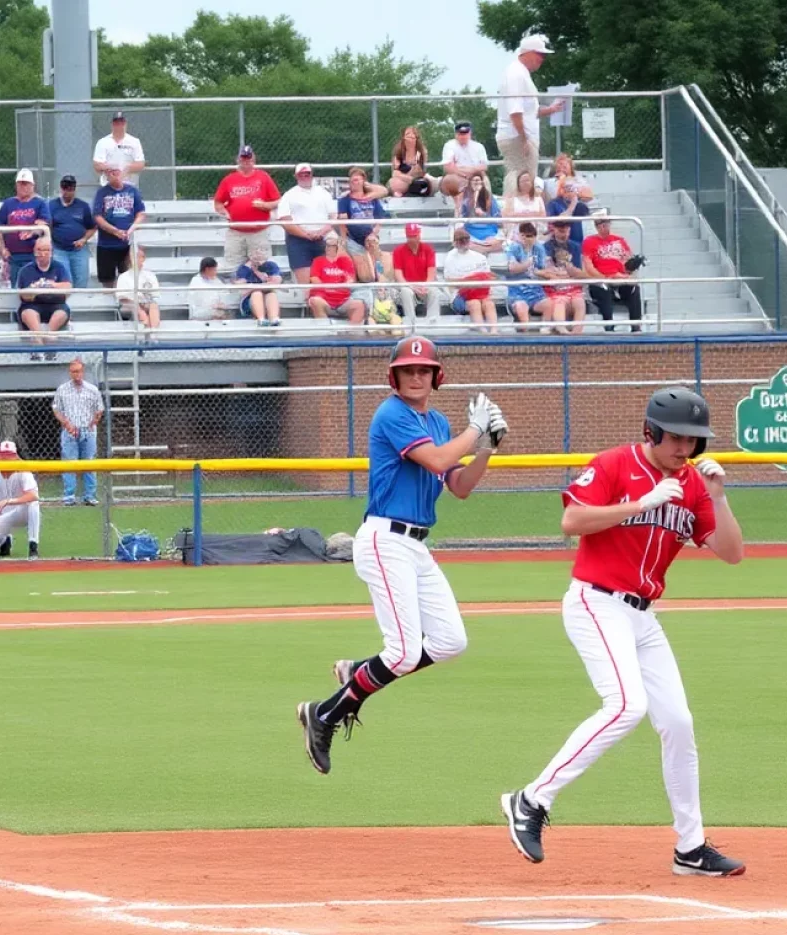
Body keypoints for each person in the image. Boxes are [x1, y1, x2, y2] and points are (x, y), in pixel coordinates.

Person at [501, 387, 746, 878]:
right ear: (650, 431)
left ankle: (691, 848)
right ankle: (530, 800)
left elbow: (731, 552)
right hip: (596, 601)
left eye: (693, 441)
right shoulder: (614, 464)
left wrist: (718, 497)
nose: (685, 449)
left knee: (678, 723)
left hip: (643, 616)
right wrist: (641, 503)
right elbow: (571, 521)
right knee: (626, 705)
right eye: (676, 438)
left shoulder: (695, 484)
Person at [297, 337, 508, 774]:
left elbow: (461, 486)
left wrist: (487, 444)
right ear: (394, 377)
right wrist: (474, 430)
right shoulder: (391, 413)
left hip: (415, 545)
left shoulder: (439, 420)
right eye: (408, 370)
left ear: (436, 376)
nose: (416, 376)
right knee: (403, 652)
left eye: (424, 369)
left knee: (451, 641)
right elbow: (435, 461)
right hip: (384, 540)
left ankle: (358, 673)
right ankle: (324, 715)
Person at [495, 35, 565, 198]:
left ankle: (521, 214)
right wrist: (524, 137)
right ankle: (514, 215)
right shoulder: (516, 74)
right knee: (519, 175)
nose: (542, 59)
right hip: (516, 135)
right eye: (540, 54)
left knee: (525, 176)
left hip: (520, 134)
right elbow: (515, 111)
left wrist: (551, 109)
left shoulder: (521, 73)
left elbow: (528, 111)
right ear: (528, 53)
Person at [213, 145, 281, 269]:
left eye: (248, 159)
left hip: (258, 232)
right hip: (236, 232)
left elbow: (278, 201)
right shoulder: (229, 180)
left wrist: (265, 206)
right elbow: (218, 202)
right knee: (232, 267)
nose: (246, 162)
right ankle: (237, 288)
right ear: (238, 160)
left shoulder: (263, 177)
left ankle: (260, 288)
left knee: (262, 267)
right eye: (243, 159)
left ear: (253, 160)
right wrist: (224, 212)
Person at [52, 360, 104, 507]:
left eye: (79, 371)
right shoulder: (62, 390)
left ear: (83, 372)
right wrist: (67, 424)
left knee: (89, 462)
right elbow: (56, 409)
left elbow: (99, 408)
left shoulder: (92, 389)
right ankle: (69, 496)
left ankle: (90, 496)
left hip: (88, 431)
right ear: (70, 372)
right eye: (74, 371)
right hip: (70, 431)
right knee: (70, 463)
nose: (77, 374)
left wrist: (94, 421)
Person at [0, 440, 40, 560]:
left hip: (21, 514)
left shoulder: (23, 471)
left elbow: (33, 495)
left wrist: (9, 501)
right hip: (3, 518)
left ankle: (33, 545)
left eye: (9, 456)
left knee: (33, 504)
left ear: (15, 457)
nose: (6, 459)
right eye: (3, 456)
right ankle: (5, 541)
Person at [582, 213, 643, 332]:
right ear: (596, 227)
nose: (604, 227)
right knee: (603, 288)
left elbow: (627, 261)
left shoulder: (619, 240)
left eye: (606, 223)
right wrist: (605, 277)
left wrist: (630, 268)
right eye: (601, 224)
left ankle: (636, 325)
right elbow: (588, 266)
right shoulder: (589, 241)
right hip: (601, 278)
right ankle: (609, 325)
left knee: (634, 288)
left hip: (619, 277)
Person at [277, 164, 336, 285]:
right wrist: (305, 234)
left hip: (323, 238)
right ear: (296, 176)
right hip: (298, 240)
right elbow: (285, 220)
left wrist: (322, 231)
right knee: (306, 284)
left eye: (307, 174)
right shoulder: (289, 195)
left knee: (328, 279)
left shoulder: (323, 193)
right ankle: (308, 301)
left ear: (311, 174)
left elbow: (334, 216)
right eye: (301, 174)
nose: (304, 177)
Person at [17, 237, 72, 359]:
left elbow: (67, 287)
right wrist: (34, 289)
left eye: (46, 250)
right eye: (39, 250)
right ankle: (39, 344)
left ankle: (49, 338)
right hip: (33, 304)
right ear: (34, 251)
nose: (43, 254)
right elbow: (24, 296)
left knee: (61, 313)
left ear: (51, 252)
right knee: (28, 313)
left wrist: (51, 285)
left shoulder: (59, 267)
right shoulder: (26, 270)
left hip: (56, 303)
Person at [92, 165, 145, 289]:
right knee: (107, 280)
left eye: (116, 171)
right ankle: (109, 306)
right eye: (110, 172)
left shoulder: (132, 191)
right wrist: (114, 231)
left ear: (122, 173)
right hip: (106, 244)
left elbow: (141, 213)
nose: (113, 174)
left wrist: (132, 228)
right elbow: (97, 216)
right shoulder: (102, 192)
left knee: (128, 279)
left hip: (127, 244)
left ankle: (126, 304)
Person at [0, 169, 50, 287]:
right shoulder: (8, 204)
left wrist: (32, 232)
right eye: (20, 183)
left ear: (32, 185)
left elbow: (43, 225)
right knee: (15, 287)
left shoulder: (40, 203)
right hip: (13, 256)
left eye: (25, 183)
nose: (22, 187)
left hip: (33, 254)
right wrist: (2, 249)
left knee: (33, 286)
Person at [337, 166, 388, 282]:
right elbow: (342, 221)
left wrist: (374, 233)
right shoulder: (345, 200)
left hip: (370, 237)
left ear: (363, 181)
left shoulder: (372, 198)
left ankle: (380, 280)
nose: (354, 183)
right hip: (353, 238)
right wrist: (344, 237)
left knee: (375, 253)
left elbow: (380, 218)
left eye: (357, 180)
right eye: (352, 180)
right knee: (365, 276)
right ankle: (364, 277)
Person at [443, 227, 498, 330]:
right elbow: (450, 282)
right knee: (474, 303)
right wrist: (470, 282)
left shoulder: (480, 257)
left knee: (489, 304)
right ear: (455, 242)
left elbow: (489, 276)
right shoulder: (450, 258)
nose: (464, 242)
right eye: (461, 240)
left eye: (466, 239)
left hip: (480, 292)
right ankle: (483, 332)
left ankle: (494, 331)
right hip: (459, 295)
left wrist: (478, 282)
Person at [505, 221, 557, 329]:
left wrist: (537, 272)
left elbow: (545, 271)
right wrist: (527, 264)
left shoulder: (539, 248)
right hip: (517, 293)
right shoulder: (513, 248)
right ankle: (526, 338)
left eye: (530, 236)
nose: (526, 238)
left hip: (535, 292)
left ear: (535, 236)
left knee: (549, 304)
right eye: (523, 235)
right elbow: (512, 268)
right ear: (520, 235)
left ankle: (544, 332)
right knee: (521, 307)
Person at [49, 174, 96, 290]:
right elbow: (48, 226)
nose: (67, 191)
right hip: (59, 250)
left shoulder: (83, 206)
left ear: (74, 189)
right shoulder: (51, 205)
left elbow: (92, 227)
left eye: (70, 188)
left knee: (81, 281)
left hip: (79, 250)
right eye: (65, 187)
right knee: (64, 281)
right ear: (61, 188)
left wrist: (84, 239)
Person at [307, 234, 366, 324]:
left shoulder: (345, 261)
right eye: (327, 245)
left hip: (343, 299)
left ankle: (352, 332)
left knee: (359, 305)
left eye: (332, 245)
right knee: (315, 301)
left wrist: (339, 287)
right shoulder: (318, 261)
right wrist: (330, 289)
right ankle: (325, 330)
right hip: (324, 298)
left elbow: (350, 280)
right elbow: (314, 279)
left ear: (338, 247)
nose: (329, 248)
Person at [543, 219, 587, 334]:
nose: (565, 234)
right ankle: (562, 331)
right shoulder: (546, 247)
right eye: (562, 231)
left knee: (579, 302)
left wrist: (571, 270)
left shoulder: (575, 246)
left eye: (567, 231)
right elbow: (547, 271)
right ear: (554, 230)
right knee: (560, 301)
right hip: (555, 287)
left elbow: (579, 272)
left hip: (571, 285)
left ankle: (577, 334)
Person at [393, 222, 440, 325]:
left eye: (414, 236)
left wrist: (425, 286)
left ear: (419, 235)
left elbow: (431, 272)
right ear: (406, 236)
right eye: (410, 236)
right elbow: (398, 275)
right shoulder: (398, 251)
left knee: (434, 290)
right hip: (409, 285)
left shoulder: (428, 249)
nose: (413, 239)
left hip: (424, 284)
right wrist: (412, 286)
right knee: (405, 291)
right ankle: (411, 322)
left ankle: (433, 321)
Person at [544, 153, 594, 247]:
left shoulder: (579, 180)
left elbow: (589, 196)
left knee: (580, 208)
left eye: (564, 165)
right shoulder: (550, 182)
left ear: (571, 167)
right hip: (559, 206)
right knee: (555, 205)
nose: (561, 168)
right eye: (559, 165)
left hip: (577, 206)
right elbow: (556, 195)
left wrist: (575, 195)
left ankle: (576, 244)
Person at [439, 122, 490, 204]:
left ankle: (484, 207)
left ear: (470, 133)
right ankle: (459, 208)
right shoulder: (449, 145)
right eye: (460, 134)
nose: (463, 136)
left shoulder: (479, 146)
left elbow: (484, 166)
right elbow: (448, 167)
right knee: (451, 180)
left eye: (465, 134)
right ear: (456, 134)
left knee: (483, 178)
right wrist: (464, 174)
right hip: (457, 176)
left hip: (476, 175)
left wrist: (471, 170)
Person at [92, 111, 146, 187]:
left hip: (129, 186)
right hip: (108, 186)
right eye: (116, 123)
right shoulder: (102, 142)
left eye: (121, 123)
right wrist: (110, 171)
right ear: (112, 124)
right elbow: (97, 165)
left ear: (125, 124)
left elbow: (140, 164)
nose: (119, 125)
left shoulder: (134, 142)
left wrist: (124, 172)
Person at [234, 245, 282, 327]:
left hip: (267, 295)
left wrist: (253, 286)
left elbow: (276, 282)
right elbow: (242, 289)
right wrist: (263, 285)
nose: (258, 254)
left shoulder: (270, 265)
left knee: (271, 294)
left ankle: (274, 319)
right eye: (255, 251)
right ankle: (261, 319)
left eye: (261, 251)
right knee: (257, 293)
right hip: (249, 301)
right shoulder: (244, 269)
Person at [115, 246, 160, 331]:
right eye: (135, 256)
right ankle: (146, 328)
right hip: (129, 305)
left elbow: (155, 294)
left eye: (140, 256)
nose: (137, 259)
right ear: (130, 258)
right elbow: (122, 298)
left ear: (144, 258)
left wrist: (145, 302)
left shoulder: (150, 275)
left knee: (153, 306)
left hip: (146, 302)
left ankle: (152, 332)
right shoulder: (123, 277)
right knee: (137, 309)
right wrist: (137, 304)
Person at [457, 173, 504, 254]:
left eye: (478, 181)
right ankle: (482, 249)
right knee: (465, 243)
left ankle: (483, 249)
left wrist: (484, 214)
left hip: (489, 230)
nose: (476, 183)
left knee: (500, 244)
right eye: (474, 181)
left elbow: (498, 219)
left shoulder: (489, 198)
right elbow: (461, 218)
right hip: (471, 230)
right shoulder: (465, 198)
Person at [502, 170, 546, 243]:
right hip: (516, 234)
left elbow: (543, 216)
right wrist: (531, 214)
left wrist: (522, 215)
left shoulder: (538, 199)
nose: (525, 183)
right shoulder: (512, 200)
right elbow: (506, 216)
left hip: (535, 233)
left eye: (527, 180)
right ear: (518, 184)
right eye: (522, 181)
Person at [388, 125, 432, 197]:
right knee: (395, 184)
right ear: (403, 138)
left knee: (422, 183)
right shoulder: (399, 151)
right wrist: (408, 177)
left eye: (413, 134)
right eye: (408, 134)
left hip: (415, 180)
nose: (411, 136)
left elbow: (419, 171)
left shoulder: (420, 152)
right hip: (402, 180)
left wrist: (410, 177)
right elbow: (395, 173)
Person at [187, 256, 230, 321]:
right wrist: (212, 306)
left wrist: (221, 304)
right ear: (207, 269)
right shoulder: (195, 282)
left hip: (215, 312)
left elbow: (224, 293)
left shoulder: (216, 280)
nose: (216, 272)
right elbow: (196, 304)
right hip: (199, 314)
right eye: (214, 269)